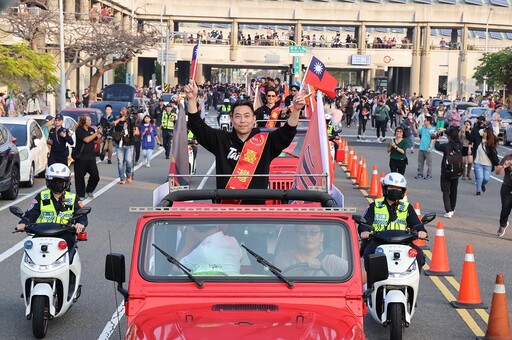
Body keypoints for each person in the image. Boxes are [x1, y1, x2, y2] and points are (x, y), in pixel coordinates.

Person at [185, 81, 305, 191]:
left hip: (256, 209)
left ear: (254, 119)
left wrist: (296, 110)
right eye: (238, 116)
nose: (242, 120)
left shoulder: (266, 142)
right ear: (231, 119)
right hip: (226, 208)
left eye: (247, 116)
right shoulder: (221, 139)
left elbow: (287, 132)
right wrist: (192, 99)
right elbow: (198, 127)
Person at [359, 172, 427, 270]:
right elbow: (364, 222)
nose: (395, 190)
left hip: (403, 243)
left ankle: (412, 283)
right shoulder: (374, 206)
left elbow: (416, 223)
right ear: (385, 188)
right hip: (379, 241)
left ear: (403, 191)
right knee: (368, 254)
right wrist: (364, 231)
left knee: (419, 257)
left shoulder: (406, 207)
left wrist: (421, 231)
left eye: (399, 188)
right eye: (391, 187)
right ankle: (371, 283)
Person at [15, 163, 87, 250]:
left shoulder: (73, 198)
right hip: (42, 234)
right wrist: (23, 223)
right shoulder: (41, 196)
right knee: (30, 250)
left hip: (65, 234)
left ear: (67, 182)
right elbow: (31, 213)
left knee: (70, 254)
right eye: (54, 181)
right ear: (48, 181)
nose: (57, 184)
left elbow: (82, 215)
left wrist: (81, 223)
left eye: (61, 181)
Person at [274, 225, 348, 276]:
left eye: (313, 232)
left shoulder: (331, 261)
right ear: (296, 236)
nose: (307, 236)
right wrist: (303, 267)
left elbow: (355, 275)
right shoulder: (283, 257)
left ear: (322, 237)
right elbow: (281, 278)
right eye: (302, 232)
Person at [176, 225, 243, 274]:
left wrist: (187, 246)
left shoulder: (203, 250)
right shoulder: (233, 242)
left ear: (191, 229)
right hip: (235, 290)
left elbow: (176, 267)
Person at [435, 128, 463, 218]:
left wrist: (436, 137)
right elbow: (455, 134)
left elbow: (437, 146)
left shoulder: (446, 146)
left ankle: (448, 210)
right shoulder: (460, 145)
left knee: (446, 191)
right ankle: (452, 208)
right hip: (457, 171)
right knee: (454, 191)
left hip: (446, 171)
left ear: (449, 137)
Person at [74, 114, 101, 199]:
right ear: (83, 121)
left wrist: (102, 137)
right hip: (81, 157)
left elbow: (96, 141)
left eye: (90, 120)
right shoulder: (79, 130)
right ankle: (80, 194)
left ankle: (89, 190)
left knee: (95, 175)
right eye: (88, 120)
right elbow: (86, 140)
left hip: (91, 157)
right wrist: (96, 133)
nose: (90, 121)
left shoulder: (92, 130)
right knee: (79, 177)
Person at [467, 125, 499, 196]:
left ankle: (482, 185)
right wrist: (467, 132)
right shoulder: (478, 139)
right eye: (484, 131)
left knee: (486, 179)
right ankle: (478, 191)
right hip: (478, 162)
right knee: (479, 177)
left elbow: (494, 155)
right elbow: (470, 138)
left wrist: (497, 164)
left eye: (486, 132)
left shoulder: (490, 143)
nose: (484, 133)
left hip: (488, 164)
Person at [112, 107, 139, 184]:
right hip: (119, 144)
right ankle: (121, 177)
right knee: (120, 161)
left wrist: (136, 131)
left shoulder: (131, 120)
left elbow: (136, 130)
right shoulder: (118, 120)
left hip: (129, 144)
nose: (124, 112)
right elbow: (113, 124)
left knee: (128, 161)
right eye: (123, 111)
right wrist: (120, 119)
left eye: (126, 111)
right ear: (120, 112)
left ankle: (128, 174)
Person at [495, 153, 512, 237]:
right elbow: (497, 172)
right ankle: (503, 225)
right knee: (505, 209)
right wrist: (504, 166)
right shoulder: (507, 157)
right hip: (507, 187)